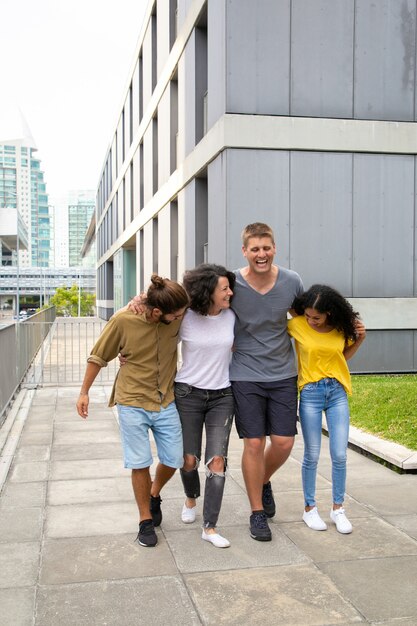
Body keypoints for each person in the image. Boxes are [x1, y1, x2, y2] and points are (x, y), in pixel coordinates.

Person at [76, 274, 189, 548]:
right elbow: (99, 356)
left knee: (174, 459)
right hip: (132, 401)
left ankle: (154, 493)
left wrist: (140, 297)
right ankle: (144, 520)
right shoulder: (123, 321)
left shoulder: (176, 315)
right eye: (175, 316)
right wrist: (84, 392)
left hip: (166, 400)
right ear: (158, 312)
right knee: (139, 462)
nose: (179, 319)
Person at [230, 222, 304, 541]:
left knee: (285, 442)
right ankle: (257, 512)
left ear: (275, 248)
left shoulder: (291, 281)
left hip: (283, 372)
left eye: (267, 248)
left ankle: (262, 480)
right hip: (245, 373)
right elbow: (198, 311)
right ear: (245, 251)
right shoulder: (230, 282)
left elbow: (307, 320)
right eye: (255, 249)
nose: (262, 254)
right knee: (255, 443)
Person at [287, 284, 366, 534]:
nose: (311, 321)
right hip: (310, 393)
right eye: (308, 316)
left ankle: (338, 508)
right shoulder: (297, 324)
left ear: (329, 313)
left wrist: (360, 340)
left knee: (339, 454)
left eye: (317, 318)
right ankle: (310, 509)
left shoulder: (342, 328)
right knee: (311, 454)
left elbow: (341, 356)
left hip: (337, 393)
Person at [175, 264, 236, 548]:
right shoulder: (184, 317)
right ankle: (190, 497)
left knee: (217, 461)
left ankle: (210, 527)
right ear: (207, 291)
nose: (230, 293)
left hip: (222, 396)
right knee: (189, 459)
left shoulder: (233, 317)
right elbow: (157, 338)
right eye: (224, 288)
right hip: (188, 394)